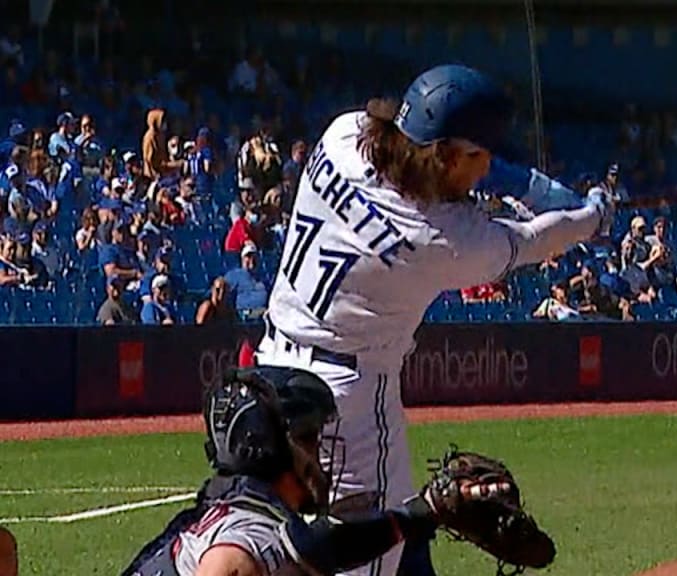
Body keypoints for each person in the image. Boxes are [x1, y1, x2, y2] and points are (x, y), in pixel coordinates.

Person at [253, 63, 612, 576]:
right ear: (446, 154)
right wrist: (592, 217)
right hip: (344, 403)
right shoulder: (440, 239)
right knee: (365, 555)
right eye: (478, 156)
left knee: (396, 528)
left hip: (270, 373)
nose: (486, 169)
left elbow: (467, 168)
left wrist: (542, 191)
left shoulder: (343, 134)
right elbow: (535, 240)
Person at [120, 367, 445, 576]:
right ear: (267, 446)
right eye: (309, 438)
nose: (319, 455)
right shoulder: (243, 539)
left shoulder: (241, 513)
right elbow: (231, 562)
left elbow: (325, 545)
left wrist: (421, 513)